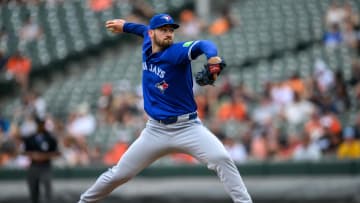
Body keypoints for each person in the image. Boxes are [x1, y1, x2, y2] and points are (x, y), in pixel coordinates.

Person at [78, 13, 252, 203]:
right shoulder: (147, 41)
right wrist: (126, 26)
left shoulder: (176, 52)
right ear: (153, 34)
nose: (168, 33)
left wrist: (212, 58)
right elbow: (142, 29)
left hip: (188, 127)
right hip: (156, 130)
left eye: (171, 30)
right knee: (119, 174)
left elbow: (203, 45)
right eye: (164, 30)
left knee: (221, 158)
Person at [23, 117, 60, 203]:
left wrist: (43, 156)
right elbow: (24, 152)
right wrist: (33, 155)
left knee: (47, 190)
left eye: (41, 124)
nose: (40, 126)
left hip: (45, 166)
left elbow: (57, 152)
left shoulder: (50, 138)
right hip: (33, 165)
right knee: (33, 191)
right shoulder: (30, 138)